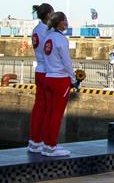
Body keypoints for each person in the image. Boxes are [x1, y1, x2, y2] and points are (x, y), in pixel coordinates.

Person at [41, 11, 76, 157]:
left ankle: (47, 143)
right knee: (57, 114)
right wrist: (73, 78)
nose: (67, 23)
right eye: (65, 20)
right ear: (59, 22)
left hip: (48, 76)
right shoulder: (61, 39)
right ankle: (51, 146)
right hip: (59, 79)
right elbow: (66, 61)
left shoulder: (48, 38)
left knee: (49, 113)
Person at [28, 3, 54, 153]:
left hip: (39, 69)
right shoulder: (47, 31)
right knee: (48, 109)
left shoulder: (36, 30)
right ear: (48, 15)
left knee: (38, 107)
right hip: (48, 71)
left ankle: (34, 140)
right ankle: (45, 141)